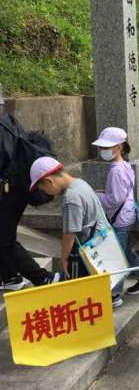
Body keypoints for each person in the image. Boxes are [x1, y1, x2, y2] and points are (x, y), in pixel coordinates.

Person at [29, 156, 120, 299]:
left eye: (43, 188)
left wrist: (64, 259)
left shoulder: (70, 198)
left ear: (49, 181)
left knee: (80, 295)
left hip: (85, 252)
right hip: (99, 242)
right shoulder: (80, 183)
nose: (45, 193)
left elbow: (69, 234)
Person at [0, 95, 61, 290]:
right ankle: (9, 277)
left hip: (9, 191)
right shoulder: (9, 120)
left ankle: (42, 277)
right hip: (17, 188)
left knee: (5, 239)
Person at [92, 127, 139, 302]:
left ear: (119, 147)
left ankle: (115, 294)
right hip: (126, 214)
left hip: (120, 218)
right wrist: (104, 192)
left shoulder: (116, 170)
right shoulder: (124, 165)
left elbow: (114, 200)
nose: (102, 150)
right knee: (124, 250)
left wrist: (96, 196)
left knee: (115, 256)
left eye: (106, 147)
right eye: (101, 147)